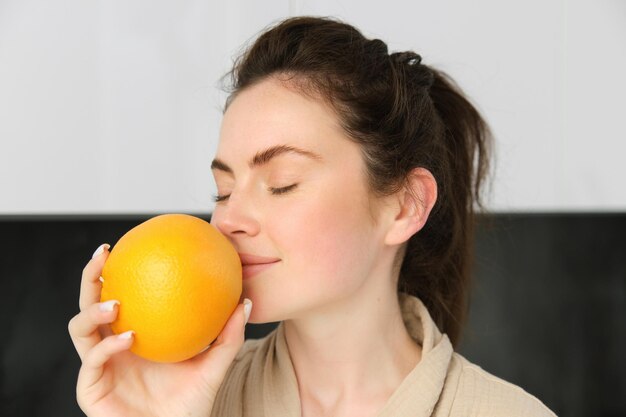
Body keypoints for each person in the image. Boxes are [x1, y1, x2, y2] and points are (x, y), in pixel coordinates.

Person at [68, 16, 556, 417]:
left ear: (405, 205)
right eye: (222, 191)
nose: (229, 220)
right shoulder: (192, 401)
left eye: (282, 182)